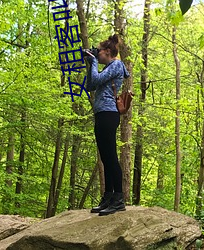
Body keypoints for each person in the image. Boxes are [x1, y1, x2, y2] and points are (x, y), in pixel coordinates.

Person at [85, 34, 130, 216]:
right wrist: (91, 64)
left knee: (110, 157)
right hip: (101, 113)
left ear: (108, 52)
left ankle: (118, 199)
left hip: (109, 114)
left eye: (99, 51)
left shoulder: (117, 65)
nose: (98, 54)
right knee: (105, 157)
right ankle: (109, 197)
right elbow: (91, 84)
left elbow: (96, 80)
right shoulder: (108, 68)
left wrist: (94, 62)